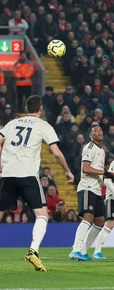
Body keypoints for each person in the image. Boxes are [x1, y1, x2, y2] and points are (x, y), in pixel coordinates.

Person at [0, 95, 74, 272]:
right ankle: (33, 251)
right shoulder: (43, 126)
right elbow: (55, 152)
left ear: (26, 109)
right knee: (42, 215)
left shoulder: (11, 124)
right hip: (27, 175)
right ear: (41, 109)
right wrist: (67, 170)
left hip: (8, 174)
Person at [69, 125, 114, 261]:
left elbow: (99, 171)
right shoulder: (89, 148)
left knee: (99, 222)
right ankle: (75, 250)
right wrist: (105, 172)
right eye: (95, 130)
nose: (99, 132)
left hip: (97, 190)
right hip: (87, 187)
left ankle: (83, 251)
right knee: (88, 218)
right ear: (90, 135)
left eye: (100, 130)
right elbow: (86, 168)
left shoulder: (101, 150)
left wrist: (112, 175)